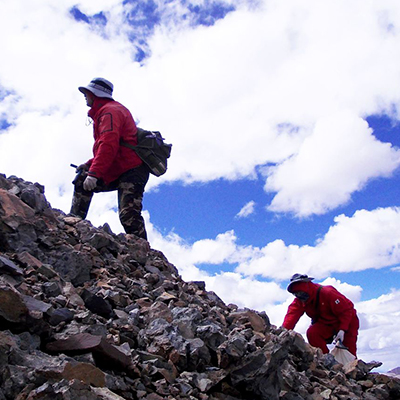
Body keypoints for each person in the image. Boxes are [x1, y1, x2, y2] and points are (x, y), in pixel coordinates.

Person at [70, 77, 149, 240]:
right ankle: (74, 224)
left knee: (129, 215)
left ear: (95, 94)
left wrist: (94, 173)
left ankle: (145, 256)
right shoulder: (108, 111)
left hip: (132, 170)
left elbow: (108, 144)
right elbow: (112, 146)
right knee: (82, 181)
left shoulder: (109, 112)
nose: (85, 96)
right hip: (123, 168)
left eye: (87, 93)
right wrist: (88, 165)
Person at [282, 273, 359, 356]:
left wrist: (342, 329)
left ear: (307, 286)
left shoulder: (328, 293)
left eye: (301, 292)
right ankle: (325, 359)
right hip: (326, 324)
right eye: (296, 293)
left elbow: (346, 311)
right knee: (312, 333)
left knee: (349, 351)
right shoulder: (300, 301)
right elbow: (291, 317)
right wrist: (282, 334)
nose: (299, 296)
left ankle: (352, 366)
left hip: (348, 320)